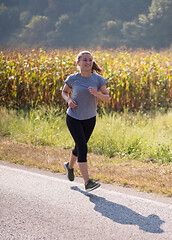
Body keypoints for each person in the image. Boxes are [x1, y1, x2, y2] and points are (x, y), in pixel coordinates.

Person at [61, 50, 110, 192]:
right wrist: (69, 100)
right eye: (85, 60)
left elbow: (107, 98)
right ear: (78, 63)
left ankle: (69, 166)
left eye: (90, 60)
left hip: (90, 119)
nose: (88, 62)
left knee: (79, 145)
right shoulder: (73, 78)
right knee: (82, 147)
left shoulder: (98, 79)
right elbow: (64, 92)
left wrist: (97, 94)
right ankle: (87, 182)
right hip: (73, 117)